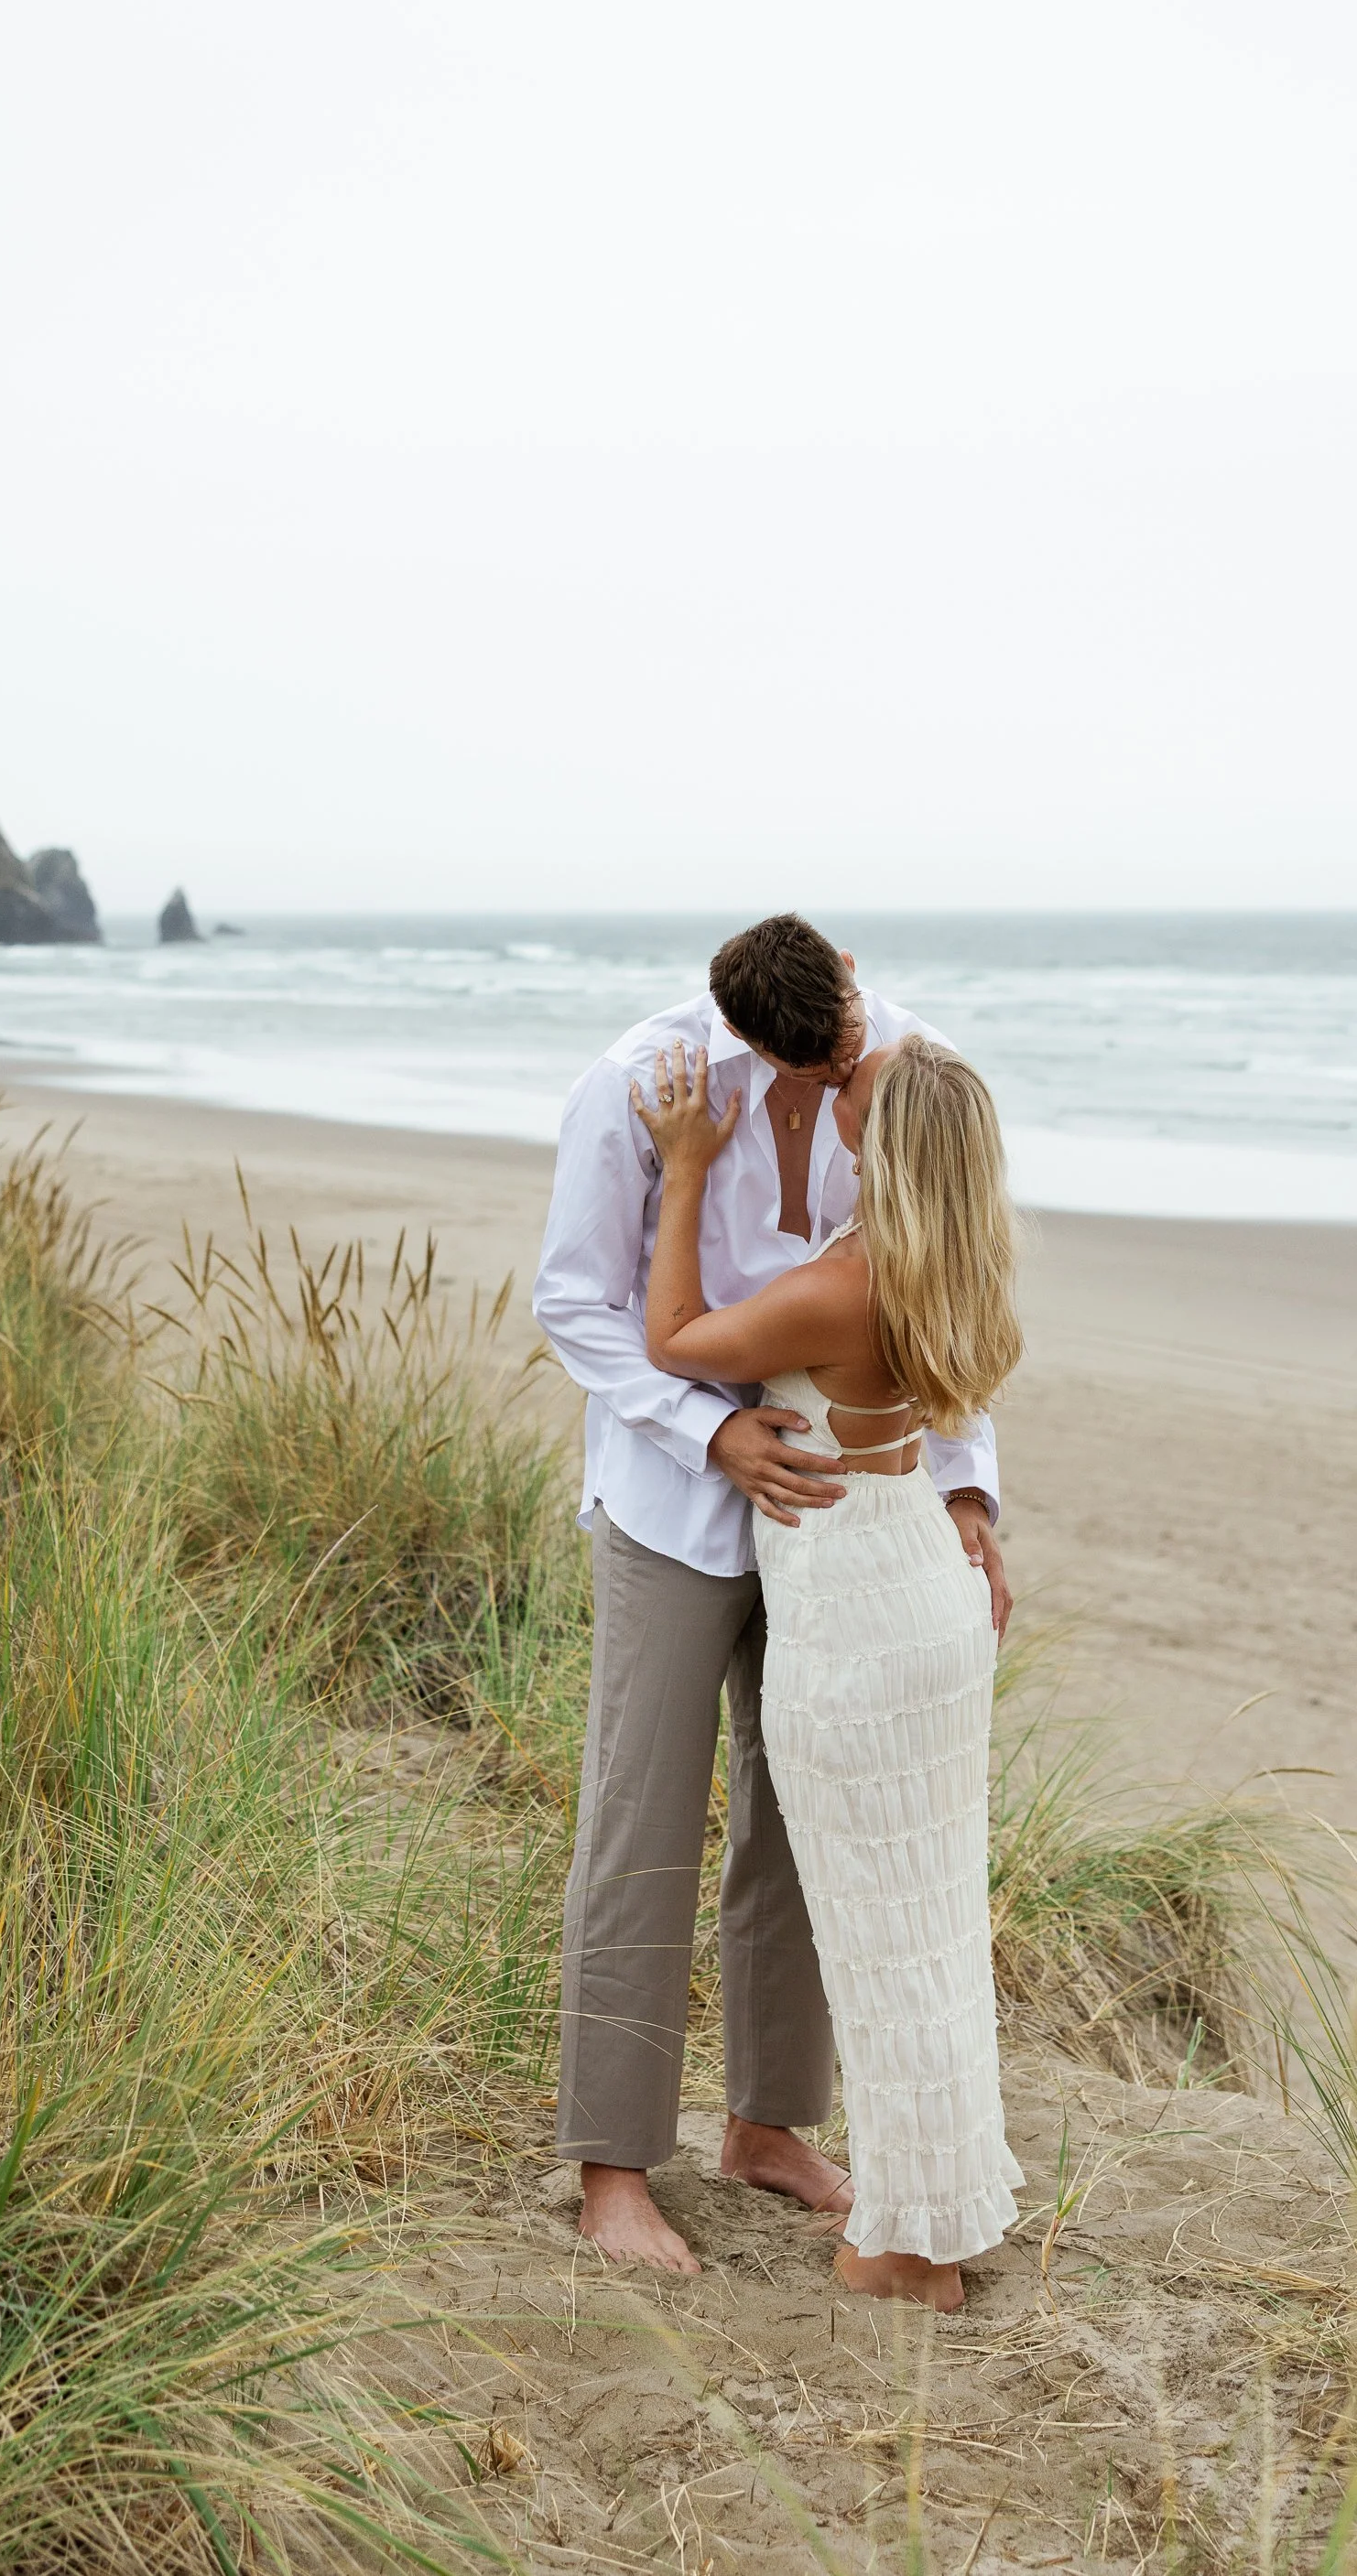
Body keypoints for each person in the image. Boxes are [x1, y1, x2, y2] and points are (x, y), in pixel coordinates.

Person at [532, 914, 1010, 2278]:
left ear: (850, 974)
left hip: (842, 1531)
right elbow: (577, 1304)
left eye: (845, 1052)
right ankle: (614, 2168)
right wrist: (711, 1432)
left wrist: (968, 1493)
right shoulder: (641, 1081)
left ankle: (768, 2125)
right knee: (643, 1821)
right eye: (810, 1067)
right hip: (678, 1507)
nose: (834, 1077)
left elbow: (941, 1282)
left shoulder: (910, 1070)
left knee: (803, 1832)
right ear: (745, 1034)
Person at [632, 1028, 1024, 2309]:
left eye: (856, 1081)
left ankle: (904, 2252)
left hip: (858, 1620)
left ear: (877, 1139)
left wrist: (687, 1166)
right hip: (924, 1593)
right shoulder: (951, 1266)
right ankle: (934, 2222)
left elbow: (674, 1336)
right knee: (930, 1927)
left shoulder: (843, 1288)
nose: (839, 1076)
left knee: (876, 1939)